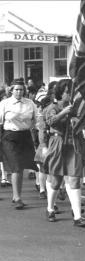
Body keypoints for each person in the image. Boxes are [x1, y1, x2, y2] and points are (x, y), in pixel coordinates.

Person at [43, 79, 85, 227]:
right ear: (60, 93)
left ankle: (77, 216)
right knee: (56, 180)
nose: (70, 94)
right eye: (67, 92)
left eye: (72, 91)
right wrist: (64, 112)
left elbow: (82, 123)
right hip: (58, 144)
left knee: (75, 179)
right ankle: (50, 208)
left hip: (73, 144)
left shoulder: (76, 108)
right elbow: (50, 121)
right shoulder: (53, 107)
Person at [0, 78, 38, 209]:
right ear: (11, 90)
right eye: (16, 89)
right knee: (16, 166)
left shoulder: (30, 103)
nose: (19, 92)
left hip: (25, 136)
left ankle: (17, 195)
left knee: (21, 167)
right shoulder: (5, 103)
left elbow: (36, 119)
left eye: (21, 89)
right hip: (9, 137)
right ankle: (17, 198)